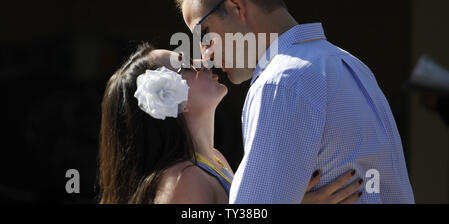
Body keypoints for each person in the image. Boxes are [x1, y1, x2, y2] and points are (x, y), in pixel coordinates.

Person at [175, 0, 415, 203]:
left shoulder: (280, 81)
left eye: (204, 33)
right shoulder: (351, 65)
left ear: (236, 6)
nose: (205, 53)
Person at [98, 43, 363, 203]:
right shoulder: (183, 180)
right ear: (170, 100)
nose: (203, 61)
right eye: (187, 65)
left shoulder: (214, 160)